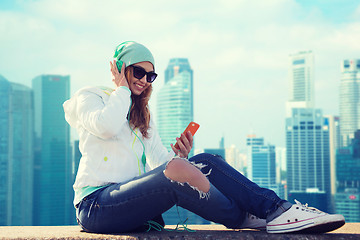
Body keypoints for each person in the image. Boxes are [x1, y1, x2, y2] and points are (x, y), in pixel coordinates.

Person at [63, 41, 345, 234]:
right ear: (120, 68)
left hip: (129, 203)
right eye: (139, 72)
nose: (145, 80)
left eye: (151, 76)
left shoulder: (141, 115)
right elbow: (106, 127)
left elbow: (160, 165)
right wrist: (122, 89)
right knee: (178, 172)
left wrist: (181, 158)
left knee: (205, 161)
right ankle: (245, 216)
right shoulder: (91, 97)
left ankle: (275, 209)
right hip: (95, 206)